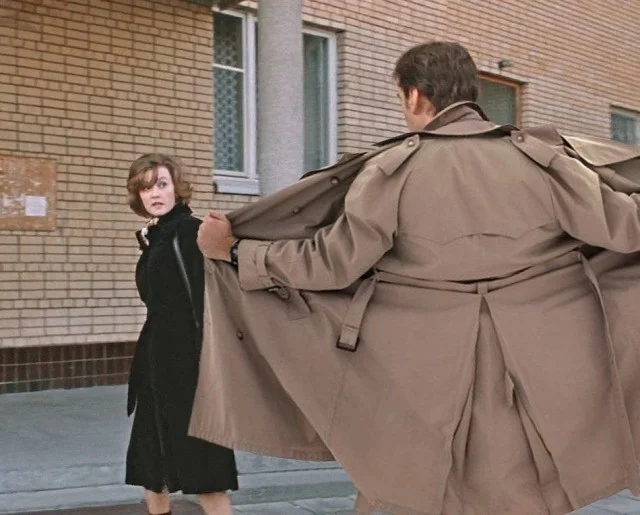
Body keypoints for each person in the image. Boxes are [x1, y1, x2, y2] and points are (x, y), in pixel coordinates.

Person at [192, 42, 640, 514]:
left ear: (414, 95)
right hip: (540, 378)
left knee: (413, 492)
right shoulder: (543, 159)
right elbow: (628, 227)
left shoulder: (392, 171)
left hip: (419, 385)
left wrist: (238, 251)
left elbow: (330, 263)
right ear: (470, 91)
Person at [125, 153, 237, 515]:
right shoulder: (156, 236)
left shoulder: (190, 231)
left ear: (177, 187)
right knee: (152, 468)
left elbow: (209, 297)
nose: (154, 193)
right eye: (146, 188)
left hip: (190, 362)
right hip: (156, 361)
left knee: (205, 470)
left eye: (161, 184)